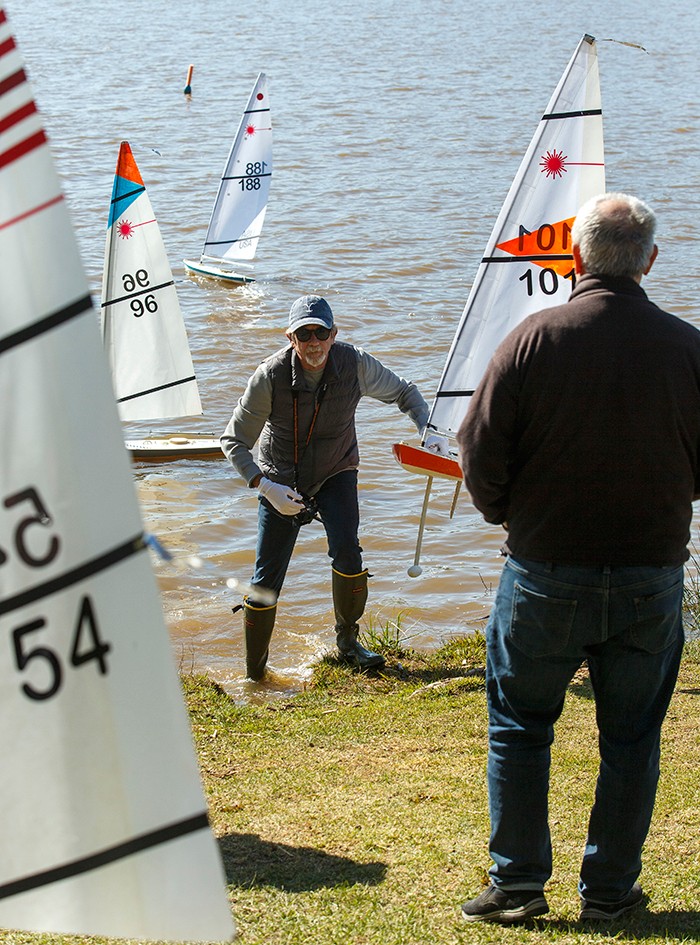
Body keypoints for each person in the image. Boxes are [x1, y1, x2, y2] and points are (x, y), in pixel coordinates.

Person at [456, 193, 700, 924]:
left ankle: (520, 885)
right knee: (631, 737)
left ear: (573, 258)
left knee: (520, 728)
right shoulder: (689, 349)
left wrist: (511, 516)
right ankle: (610, 892)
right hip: (649, 578)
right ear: (650, 261)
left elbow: (478, 454)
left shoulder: (531, 341)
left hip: (542, 574)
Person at [221, 295, 447, 680]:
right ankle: (254, 675)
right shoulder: (268, 376)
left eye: (321, 332)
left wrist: (427, 428)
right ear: (290, 337)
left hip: (336, 471)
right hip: (280, 480)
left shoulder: (354, 363)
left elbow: (405, 393)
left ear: (333, 334)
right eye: (304, 333)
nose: (314, 342)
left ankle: (348, 645)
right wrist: (263, 486)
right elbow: (233, 441)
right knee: (265, 581)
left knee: (348, 553)